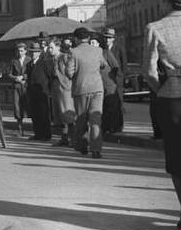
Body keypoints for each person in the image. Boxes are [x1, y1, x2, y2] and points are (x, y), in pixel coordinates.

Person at [142, 0, 181, 230]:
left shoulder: (155, 28)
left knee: (178, 159)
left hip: (174, 101)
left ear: (167, 1)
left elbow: (148, 71)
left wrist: (163, 88)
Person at [66, 26, 109, 159]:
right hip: (97, 88)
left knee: (82, 118)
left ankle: (82, 146)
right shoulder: (98, 50)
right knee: (96, 119)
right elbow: (103, 65)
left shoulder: (73, 52)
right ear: (88, 38)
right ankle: (96, 150)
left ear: (76, 38)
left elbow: (69, 72)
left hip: (81, 90)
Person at [49, 37, 75, 147]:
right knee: (59, 114)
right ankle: (64, 138)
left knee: (67, 114)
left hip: (65, 88)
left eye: (51, 48)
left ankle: (73, 139)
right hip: (56, 88)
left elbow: (70, 72)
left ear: (58, 47)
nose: (49, 50)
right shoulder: (52, 59)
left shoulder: (64, 57)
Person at [26, 42, 52, 141]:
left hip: (42, 91)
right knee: (35, 113)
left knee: (44, 113)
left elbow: (49, 76)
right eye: (31, 52)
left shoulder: (43, 63)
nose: (33, 54)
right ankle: (38, 133)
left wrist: (48, 90)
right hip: (32, 92)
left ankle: (46, 134)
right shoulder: (29, 64)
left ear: (39, 53)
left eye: (35, 52)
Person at [101, 28, 125, 134]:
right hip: (107, 81)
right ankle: (108, 125)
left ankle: (118, 126)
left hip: (117, 80)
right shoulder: (102, 50)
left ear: (113, 39)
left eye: (109, 38)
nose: (107, 40)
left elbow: (123, 65)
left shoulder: (119, 48)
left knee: (118, 103)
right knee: (108, 104)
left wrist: (120, 78)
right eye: (106, 38)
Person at [7, 42, 30, 137]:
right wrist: (15, 78)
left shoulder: (29, 60)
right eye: (18, 51)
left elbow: (32, 71)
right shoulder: (14, 61)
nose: (20, 52)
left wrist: (23, 77)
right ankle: (20, 129)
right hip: (16, 86)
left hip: (26, 86)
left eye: (22, 51)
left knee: (28, 106)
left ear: (25, 51)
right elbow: (9, 73)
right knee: (17, 107)